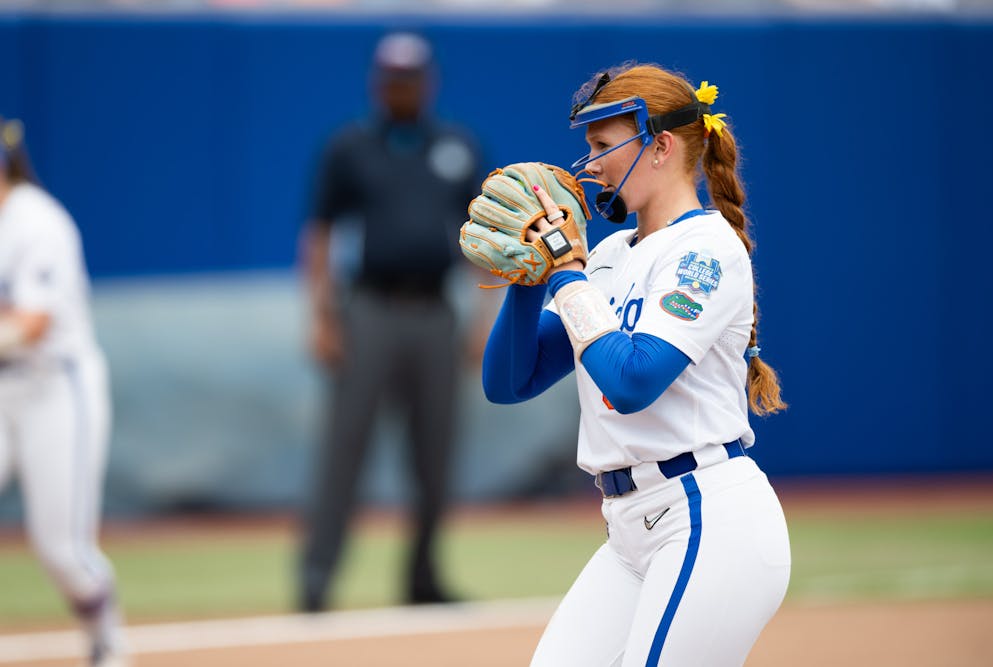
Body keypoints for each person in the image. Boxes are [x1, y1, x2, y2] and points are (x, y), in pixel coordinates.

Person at [480, 64, 792, 666]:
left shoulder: (704, 250)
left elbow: (632, 382)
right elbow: (509, 382)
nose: (588, 163)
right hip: (629, 533)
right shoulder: (611, 254)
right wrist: (529, 277)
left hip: (705, 518)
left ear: (661, 146)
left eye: (603, 145)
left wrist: (566, 273)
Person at [298, 31, 483, 611]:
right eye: (392, 78)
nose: (402, 88)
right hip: (370, 310)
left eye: (412, 78)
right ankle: (317, 578)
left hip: (435, 311)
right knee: (344, 447)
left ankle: (423, 577)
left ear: (428, 82)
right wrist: (322, 317)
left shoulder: (457, 146)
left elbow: (490, 238)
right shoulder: (349, 146)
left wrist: (484, 318)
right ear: (380, 83)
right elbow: (321, 231)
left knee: (436, 452)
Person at [0, 117, 127, 667]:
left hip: (56, 388)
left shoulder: (38, 220)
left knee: (62, 551)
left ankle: (106, 639)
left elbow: (30, 323)